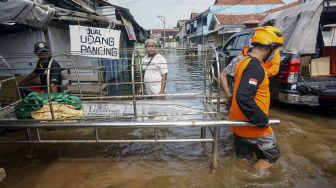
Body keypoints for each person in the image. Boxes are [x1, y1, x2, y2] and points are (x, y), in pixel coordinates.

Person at [228, 26, 284, 169]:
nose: (276, 53)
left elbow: (239, 92)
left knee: (243, 157)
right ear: (269, 48)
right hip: (252, 126)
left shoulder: (244, 61)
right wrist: (261, 119)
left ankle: (241, 179)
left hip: (238, 124)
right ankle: (253, 180)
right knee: (271, 156)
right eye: (276, 49)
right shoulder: (256, 67)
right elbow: (243, 96)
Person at [220, 37, 281, 111]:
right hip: (245, 103)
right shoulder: (240, 60)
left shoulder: (259, 64)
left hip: (247, 102)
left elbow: (223, 75)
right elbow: (223, 76)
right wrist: (229, 95)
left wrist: (228, 95)